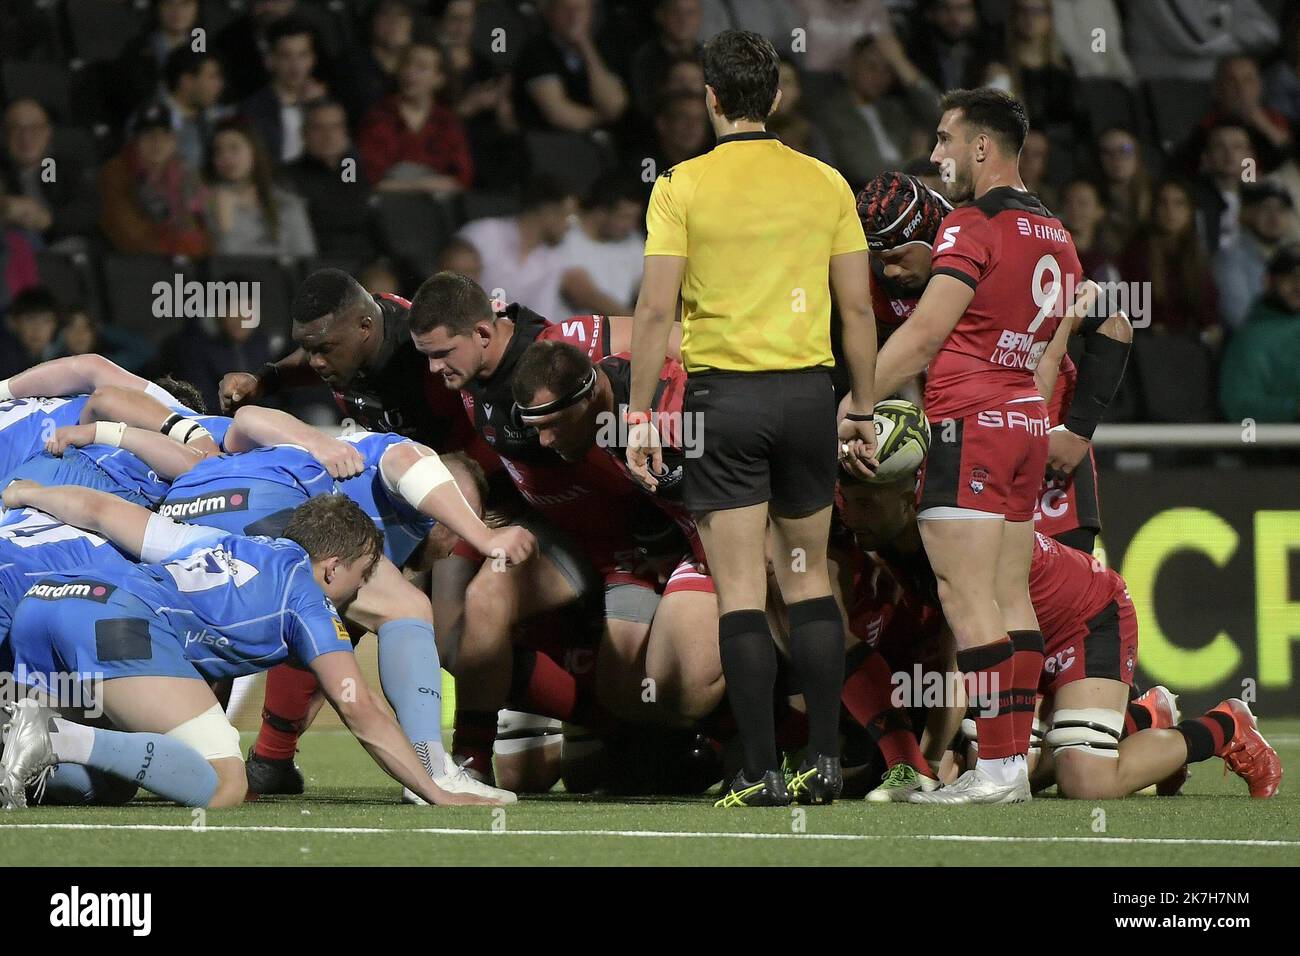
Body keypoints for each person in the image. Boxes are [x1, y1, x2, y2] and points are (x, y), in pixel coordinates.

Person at [626, 30, 878, 807]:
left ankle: (763, 769)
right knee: (806, 584)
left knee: (739, 591)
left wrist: (638, 415)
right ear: (775, 98)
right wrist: (863, 407)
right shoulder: (826, 182)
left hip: (723, 403)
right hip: (806, 396)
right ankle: (829, 763)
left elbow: (655, 307)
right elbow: (858, 306)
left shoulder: (681, 185)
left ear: (709, 98)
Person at [0, 485, 506, 809]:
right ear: (332, 566)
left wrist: (28, 492)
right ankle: (56, 737)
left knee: (105, 785)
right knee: (225, 784)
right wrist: (436, 789)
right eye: (363, 571)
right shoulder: (308, 600)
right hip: (117, 623)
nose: (361, 588)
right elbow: (358, 707)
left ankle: (31, 743)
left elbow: (99, 509)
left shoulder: (219, 541)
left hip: (46, 603)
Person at [871, 88, 1081, 804]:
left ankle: (993, 769)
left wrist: (859, 394)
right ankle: (1012, 765)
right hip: (1024, 417)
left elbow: (928, 333)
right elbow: (1056, 342)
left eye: (944, 140)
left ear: (981, 147)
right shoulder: (1057, 232)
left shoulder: (971, 223)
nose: (936, 155)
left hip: (970, 422)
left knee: (968, 600)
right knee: (1008, 596)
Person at [834, 472, 1282, 802]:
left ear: (909, 502)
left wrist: (924, 767)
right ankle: (1142, 719)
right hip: (1017, 639)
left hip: (1085, 618)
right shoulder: (894, 540)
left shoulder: (947, 543)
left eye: (866, 504)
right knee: (997, 770)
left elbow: (958, 671)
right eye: (847, 502)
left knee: (1086, 782)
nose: (852, 516)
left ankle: (1225, 726)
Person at [818, 33, 942, 187]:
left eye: (888, 69)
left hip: (909, 193)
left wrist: (901, 63)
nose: (879, 75)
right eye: (871, 66)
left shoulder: (894, 110)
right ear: (851, 64)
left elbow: (941, 116)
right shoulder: (833, 113)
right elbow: (864, 171)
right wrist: (915, 162)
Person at [358, 39, 475, 196]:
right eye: (407, 64)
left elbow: (462, 178)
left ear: (439, 79)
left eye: (421, 68)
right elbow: (369, 179)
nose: (410, 72)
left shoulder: (448, 122)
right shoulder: (379, 116)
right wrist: (420, 186)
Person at [98, 101, 209, 258]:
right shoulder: (115, 173)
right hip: (138, 265)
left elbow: (204, 228)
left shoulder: (187, 174)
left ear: (175, 141)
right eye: (148, 134)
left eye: (165, 134)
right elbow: (127, 234)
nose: (157, 142)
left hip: (188, 263)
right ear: (134, 140)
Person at [457, 177, 575, 321]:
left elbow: (540, 320)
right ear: (548, 213)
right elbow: (452, 294)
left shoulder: (552, 262)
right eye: (569, 217)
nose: (570, 226)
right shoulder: (484, 235)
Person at [1119, 179, 1219, 341]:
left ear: (1190, 211)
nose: (1170, 211)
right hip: (1148, 344)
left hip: (1190, 343)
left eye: (1179, 203)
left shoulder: (1196, 255)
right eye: (1163, 203)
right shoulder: (1137, 254)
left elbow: (1207, 308)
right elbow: (1132, 311)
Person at [205, 118, 317, 258]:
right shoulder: (208, 203)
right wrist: (224, 224)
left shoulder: (286, 202)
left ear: (254, 151)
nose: (226, 157)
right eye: (218, 151)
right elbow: (223, 265)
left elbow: (306, 257)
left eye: (234, 148)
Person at [512, 0, 629, 133]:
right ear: (551, 13)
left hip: (595, 143)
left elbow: (614, 105)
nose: (574, 17)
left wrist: (586, 47)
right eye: (565, 9)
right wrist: (603, 118)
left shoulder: (603, 49)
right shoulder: (536, 50)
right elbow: (559, 114)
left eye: (581, 10)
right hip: (550, 141)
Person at [284, 99, 378, 261]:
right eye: (319, 128)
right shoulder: (287, 177)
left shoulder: (357, 170)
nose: (329, 136)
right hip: (314, 263)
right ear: (303, 134)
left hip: (364, 262)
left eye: (336, 127)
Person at [1219, 243, 1300, 423]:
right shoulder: (1252, 340)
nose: (1298, 286)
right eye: (1289, 278)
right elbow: (1240, 407)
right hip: (1284, 444)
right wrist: (1293, 409)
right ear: (1268, 282)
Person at [1, 99, 97, 249]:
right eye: (16, 128)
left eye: (35, 128)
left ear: (48, 132)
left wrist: (48, 219)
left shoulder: (56, 167)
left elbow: (87, 211)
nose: (26, 136)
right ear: (6, 136)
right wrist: (5, 206)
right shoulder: (4, 171)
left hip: (59, 249)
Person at [238, 15, 328, 164]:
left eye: (303, 55)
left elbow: (343, 157)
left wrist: (318, 107)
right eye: (286, 56)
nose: (296, 66)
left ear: (313, 59)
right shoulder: (253, 109)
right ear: (270, 61)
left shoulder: (326, 102)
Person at [554, 174, 645, 314]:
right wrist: (635, 325)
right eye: (625, 217)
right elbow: (583, 294)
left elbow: (651, 291)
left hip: (618, 332)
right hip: (567, 332)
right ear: (601, 212)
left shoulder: (632, 241)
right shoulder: (567, 234)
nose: (631, 225)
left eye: (634, 218)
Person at [1214, 181, 1297, 330]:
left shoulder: (1291, 257)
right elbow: (1239, 319)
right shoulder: (1230, 258)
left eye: (1282, 210)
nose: (1275, 218)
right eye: (1265, 208)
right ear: (1245, 213)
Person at [148, 48, 231, 171]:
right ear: (187, 81)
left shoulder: (216, 118)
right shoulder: (149, 122)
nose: (219, 84)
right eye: (212, 77)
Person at [630, 0, 704, 117]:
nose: (683, 20)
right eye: (675, 12)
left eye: (690, 13)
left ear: (700, 17)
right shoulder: (645, 60)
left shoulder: (711, 57)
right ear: (660, 15)